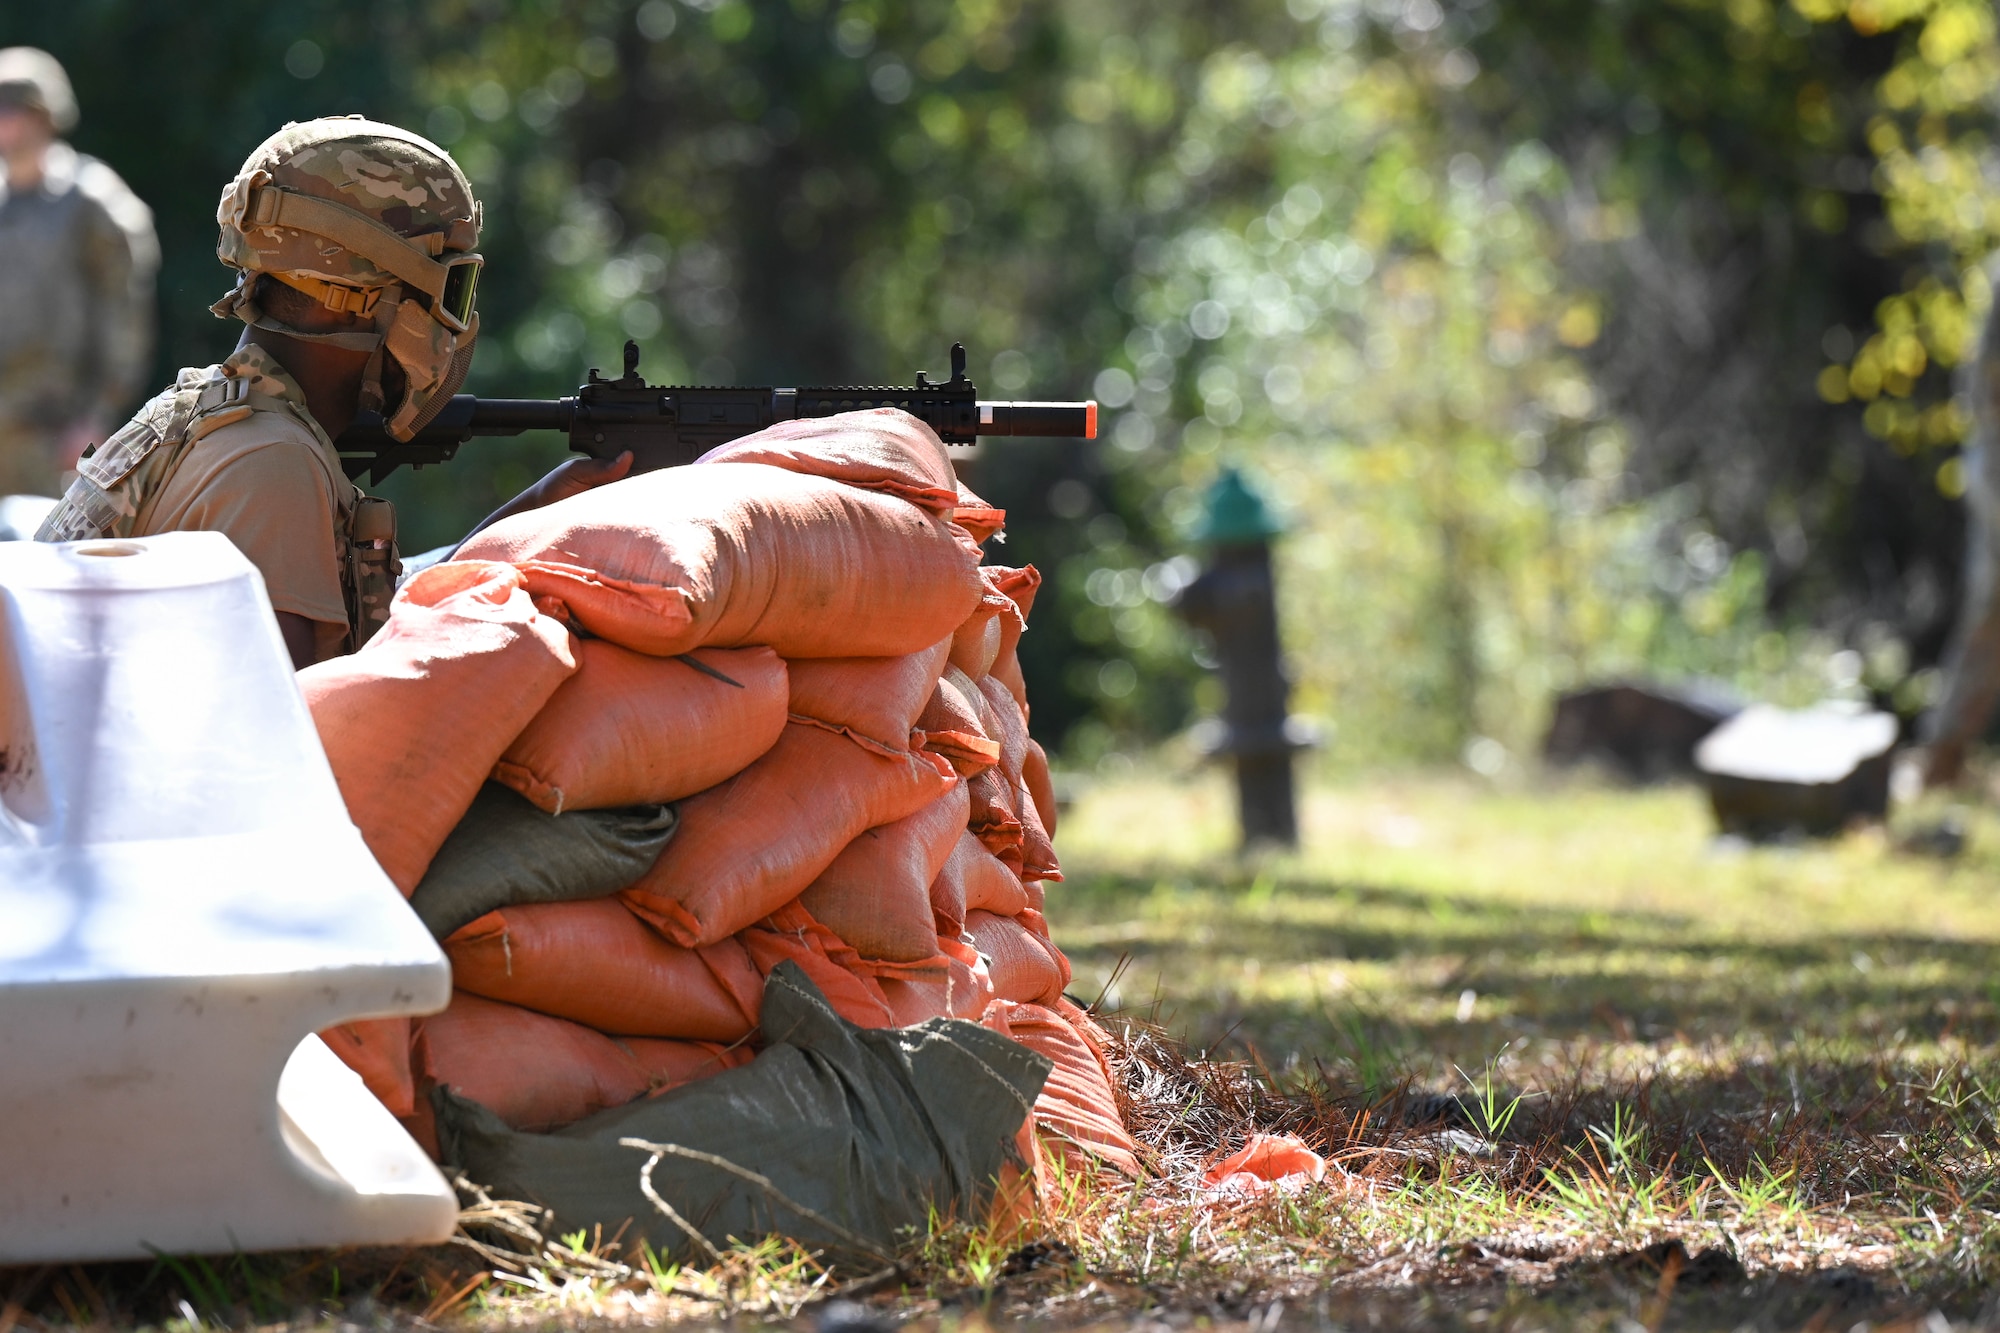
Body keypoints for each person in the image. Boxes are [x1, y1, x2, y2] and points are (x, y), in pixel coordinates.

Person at [35, 115, 628, 669]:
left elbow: (368, 620)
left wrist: (526, 522)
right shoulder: (270, 465)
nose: (456, 321)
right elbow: (297, 741)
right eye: (453, 287)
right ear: (361, 296)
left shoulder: (214, 415)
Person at [0, 47, 157, 499]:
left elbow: (124, 312)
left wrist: (95, 416)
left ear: (46, 117)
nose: (7, 124)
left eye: (16, 110)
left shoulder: (91, 201)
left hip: (56, 436)